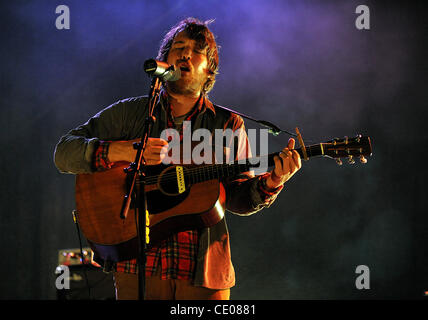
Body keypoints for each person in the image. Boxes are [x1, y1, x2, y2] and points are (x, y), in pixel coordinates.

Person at [54, 17, 301, 300]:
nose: (185, 53)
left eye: (197, 50)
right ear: (164, 62)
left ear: (209, 71)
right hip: (138, 264)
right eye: (178, 46)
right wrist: (125, 151)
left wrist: (273, 180)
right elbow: (64, 152)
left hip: (203, 270)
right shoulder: (131, 114)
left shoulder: (227, 124)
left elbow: (236, 198)